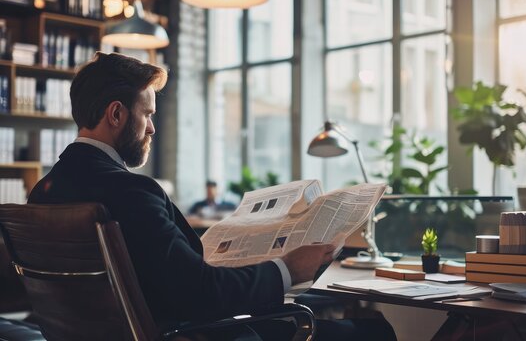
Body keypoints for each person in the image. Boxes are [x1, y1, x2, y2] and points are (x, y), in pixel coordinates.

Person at [28, 52, 396, 340]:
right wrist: (289, 268)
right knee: (375, 331)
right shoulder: (131, 192)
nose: (152, 128)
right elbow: (198, 293)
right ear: (116, 114)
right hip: (187, 332)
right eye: (148, 114)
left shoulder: (43, 194)